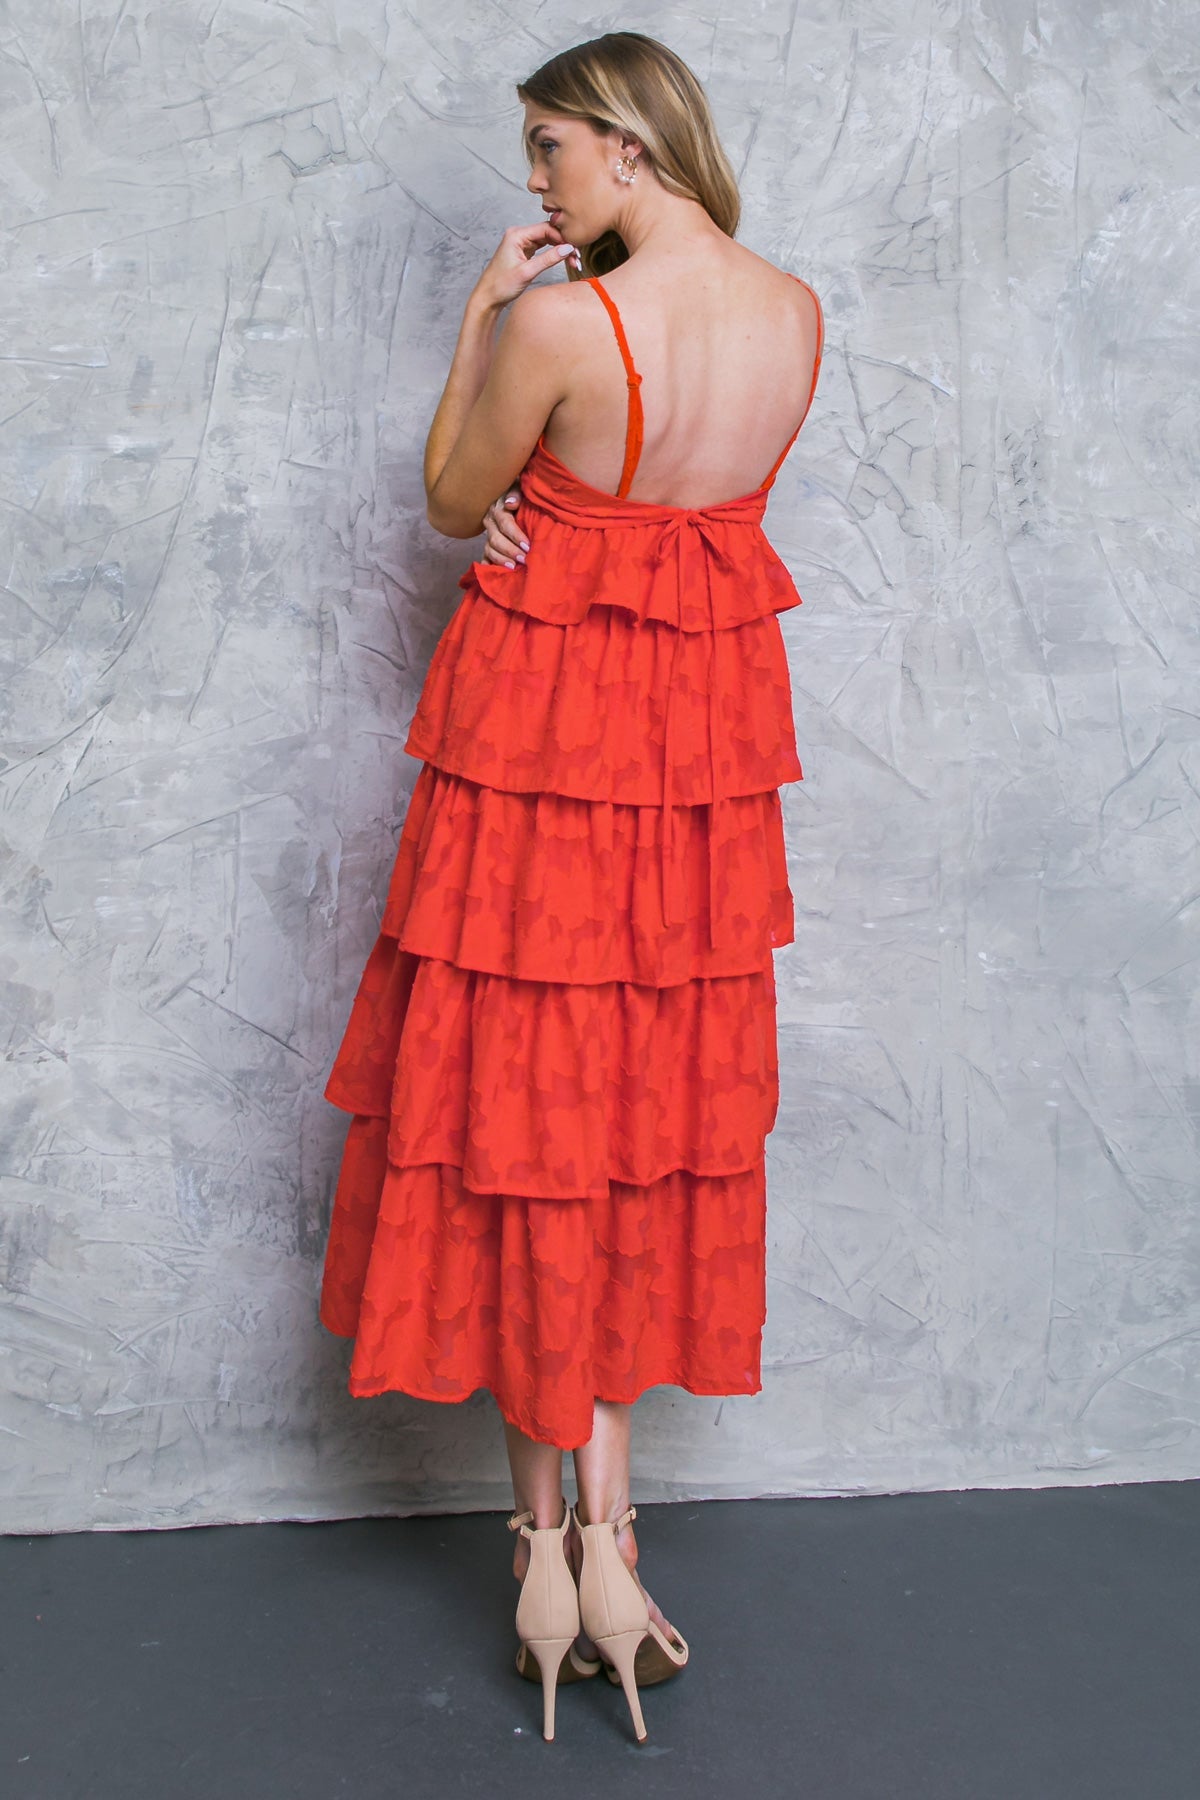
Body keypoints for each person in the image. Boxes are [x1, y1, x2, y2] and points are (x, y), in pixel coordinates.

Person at [317, 30, 823, 1744]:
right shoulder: (793, 315)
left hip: (542, 758)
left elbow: (463, 499)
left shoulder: (559, 318)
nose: (537, 182)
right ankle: (609, 1546)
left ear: (627, 140)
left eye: (550, 148)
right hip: (689, 784)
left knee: (526, 1120)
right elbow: (706, 523)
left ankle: (551, 1554)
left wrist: (479, 329)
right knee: (618, 1127)